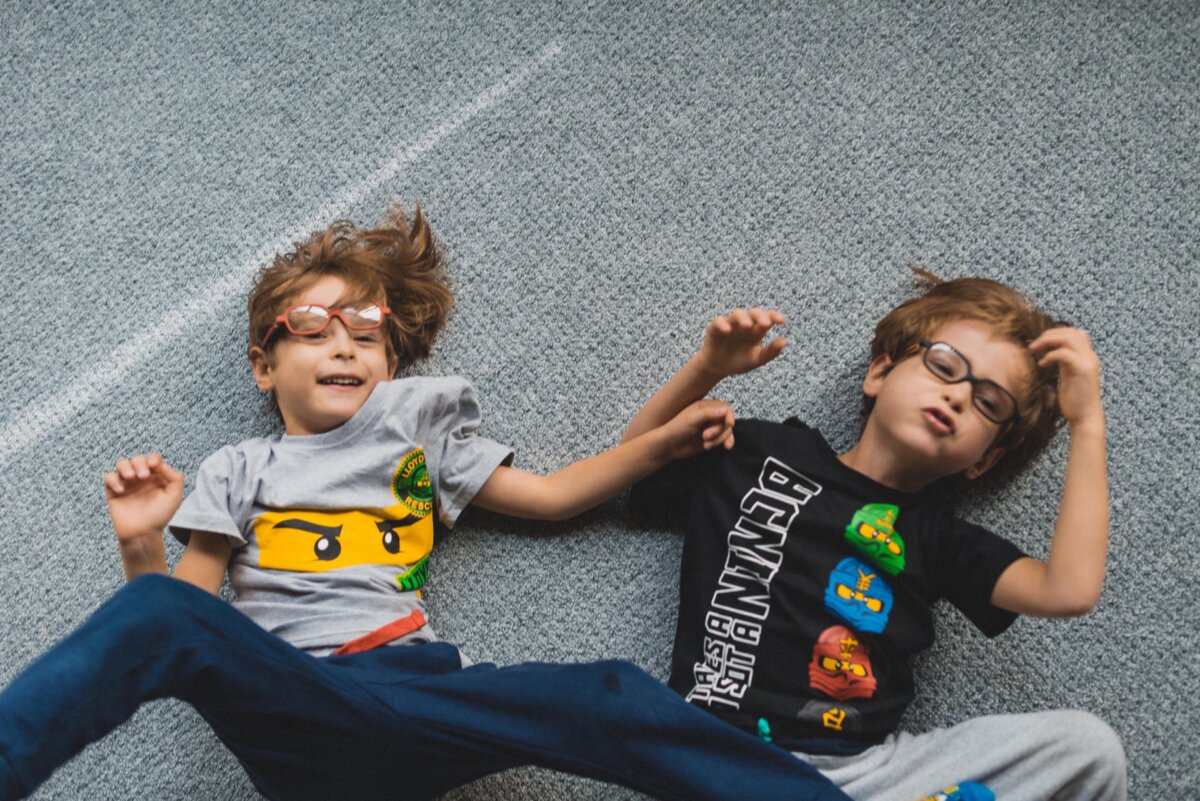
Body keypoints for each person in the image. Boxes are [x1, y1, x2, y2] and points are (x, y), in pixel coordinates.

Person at [0, 207, 850, 801]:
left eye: (365, 336)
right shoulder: (238, 465)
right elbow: (181, 627)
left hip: (421, 697)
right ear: (265, 367)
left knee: (614, 694)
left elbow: (555, 497)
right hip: (301, 709)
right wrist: (143, 544)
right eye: (315, 328)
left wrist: (684, 401)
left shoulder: (416, 443)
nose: (344, 344)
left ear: (390, 367)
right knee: (153, 608)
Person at [624, 270, 1127, 801]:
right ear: (880, 371)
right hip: (713, 750)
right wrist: (705, 370)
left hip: (853, 777)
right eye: (944, 366)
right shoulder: (759, 450)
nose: (957, 396)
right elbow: (633, 462)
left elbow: (1068, 591)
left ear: (988, 458)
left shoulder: (939, 541)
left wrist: (1087, 421)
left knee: (1088, 749)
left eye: (989, 404)